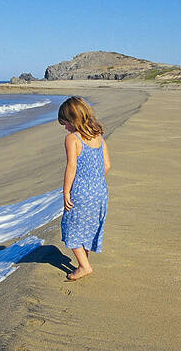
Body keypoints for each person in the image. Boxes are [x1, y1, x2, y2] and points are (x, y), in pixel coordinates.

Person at [58, 96, 111, 281]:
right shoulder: (98, 136)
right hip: (100, 189)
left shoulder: (72, 138)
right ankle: (84, 261)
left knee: (71, 227)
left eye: (65, 123)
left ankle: (84, 266)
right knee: (87, 226)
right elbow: (107, 165)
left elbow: (71, 166)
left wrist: (66, 191)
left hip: (81, 190)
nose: (65, 127)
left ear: (73, 119)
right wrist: (95, 181)